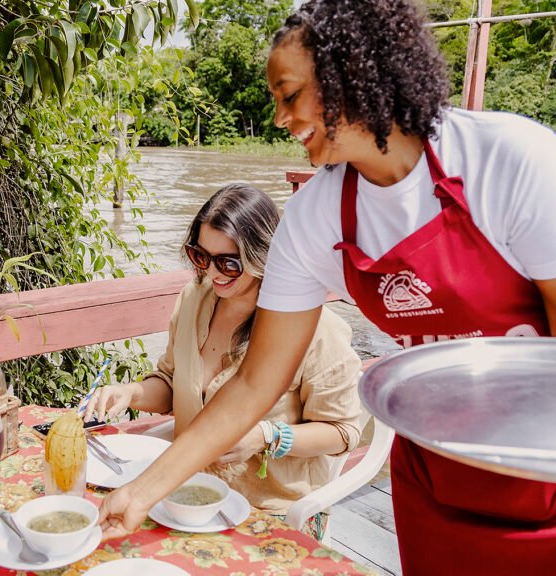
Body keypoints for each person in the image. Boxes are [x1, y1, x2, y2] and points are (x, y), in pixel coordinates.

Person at [97, 1, 556, 574]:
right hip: (436, 474)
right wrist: (140, 493)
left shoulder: (515, 162)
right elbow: (254, 383)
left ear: (355, 74)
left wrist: (525, 449)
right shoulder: (315, 216)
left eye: (290, 95)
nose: (280, 119)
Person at [81, 183, 362, 539]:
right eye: (200, 256)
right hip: (185, 494)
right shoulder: (194, 299)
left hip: (273, 511)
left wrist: (266, 436)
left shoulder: (316, 329)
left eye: (228, 263)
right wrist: (131, 393)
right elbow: (171, 384)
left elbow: (343, 433)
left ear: (262, 255)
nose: (212, 274)